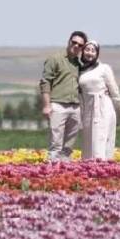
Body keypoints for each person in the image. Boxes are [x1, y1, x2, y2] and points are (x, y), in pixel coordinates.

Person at [77, 40, 120, 160]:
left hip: (103, 108)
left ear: (97, 53)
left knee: (99, 140)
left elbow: (114, 91)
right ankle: (88, 172)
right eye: (87, 50)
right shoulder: (79, 70)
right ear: (83, 51)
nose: (89, 53)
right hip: (88, 109)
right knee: (88, 141)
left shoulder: (104, 68)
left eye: (93, 50)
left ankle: (101, 170)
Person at [39, 31, 87, 162]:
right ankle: (52, 171)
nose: (76, 46)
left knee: (69, 145)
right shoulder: (55, 59)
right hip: (58, 104)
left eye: (80, 45)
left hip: (76, 106)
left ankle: (65, 171)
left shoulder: (80, 64)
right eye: (74, 42)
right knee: (56, 142)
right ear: (69, 41)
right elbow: (45, 82)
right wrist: (47, 105)